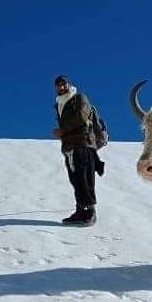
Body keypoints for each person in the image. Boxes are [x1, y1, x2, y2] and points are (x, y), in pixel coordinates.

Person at [52, 74, 104, 226]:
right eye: (58, 85)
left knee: (85, 178)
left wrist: (62, 131)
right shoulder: (60, 103)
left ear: (69, 84)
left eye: (64, 84)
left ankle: (90, 212)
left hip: (83, 143)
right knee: (75, 179)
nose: (61, 87)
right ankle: (80, 210)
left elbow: (81, 117)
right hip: (70, 146)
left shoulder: (79, 97)